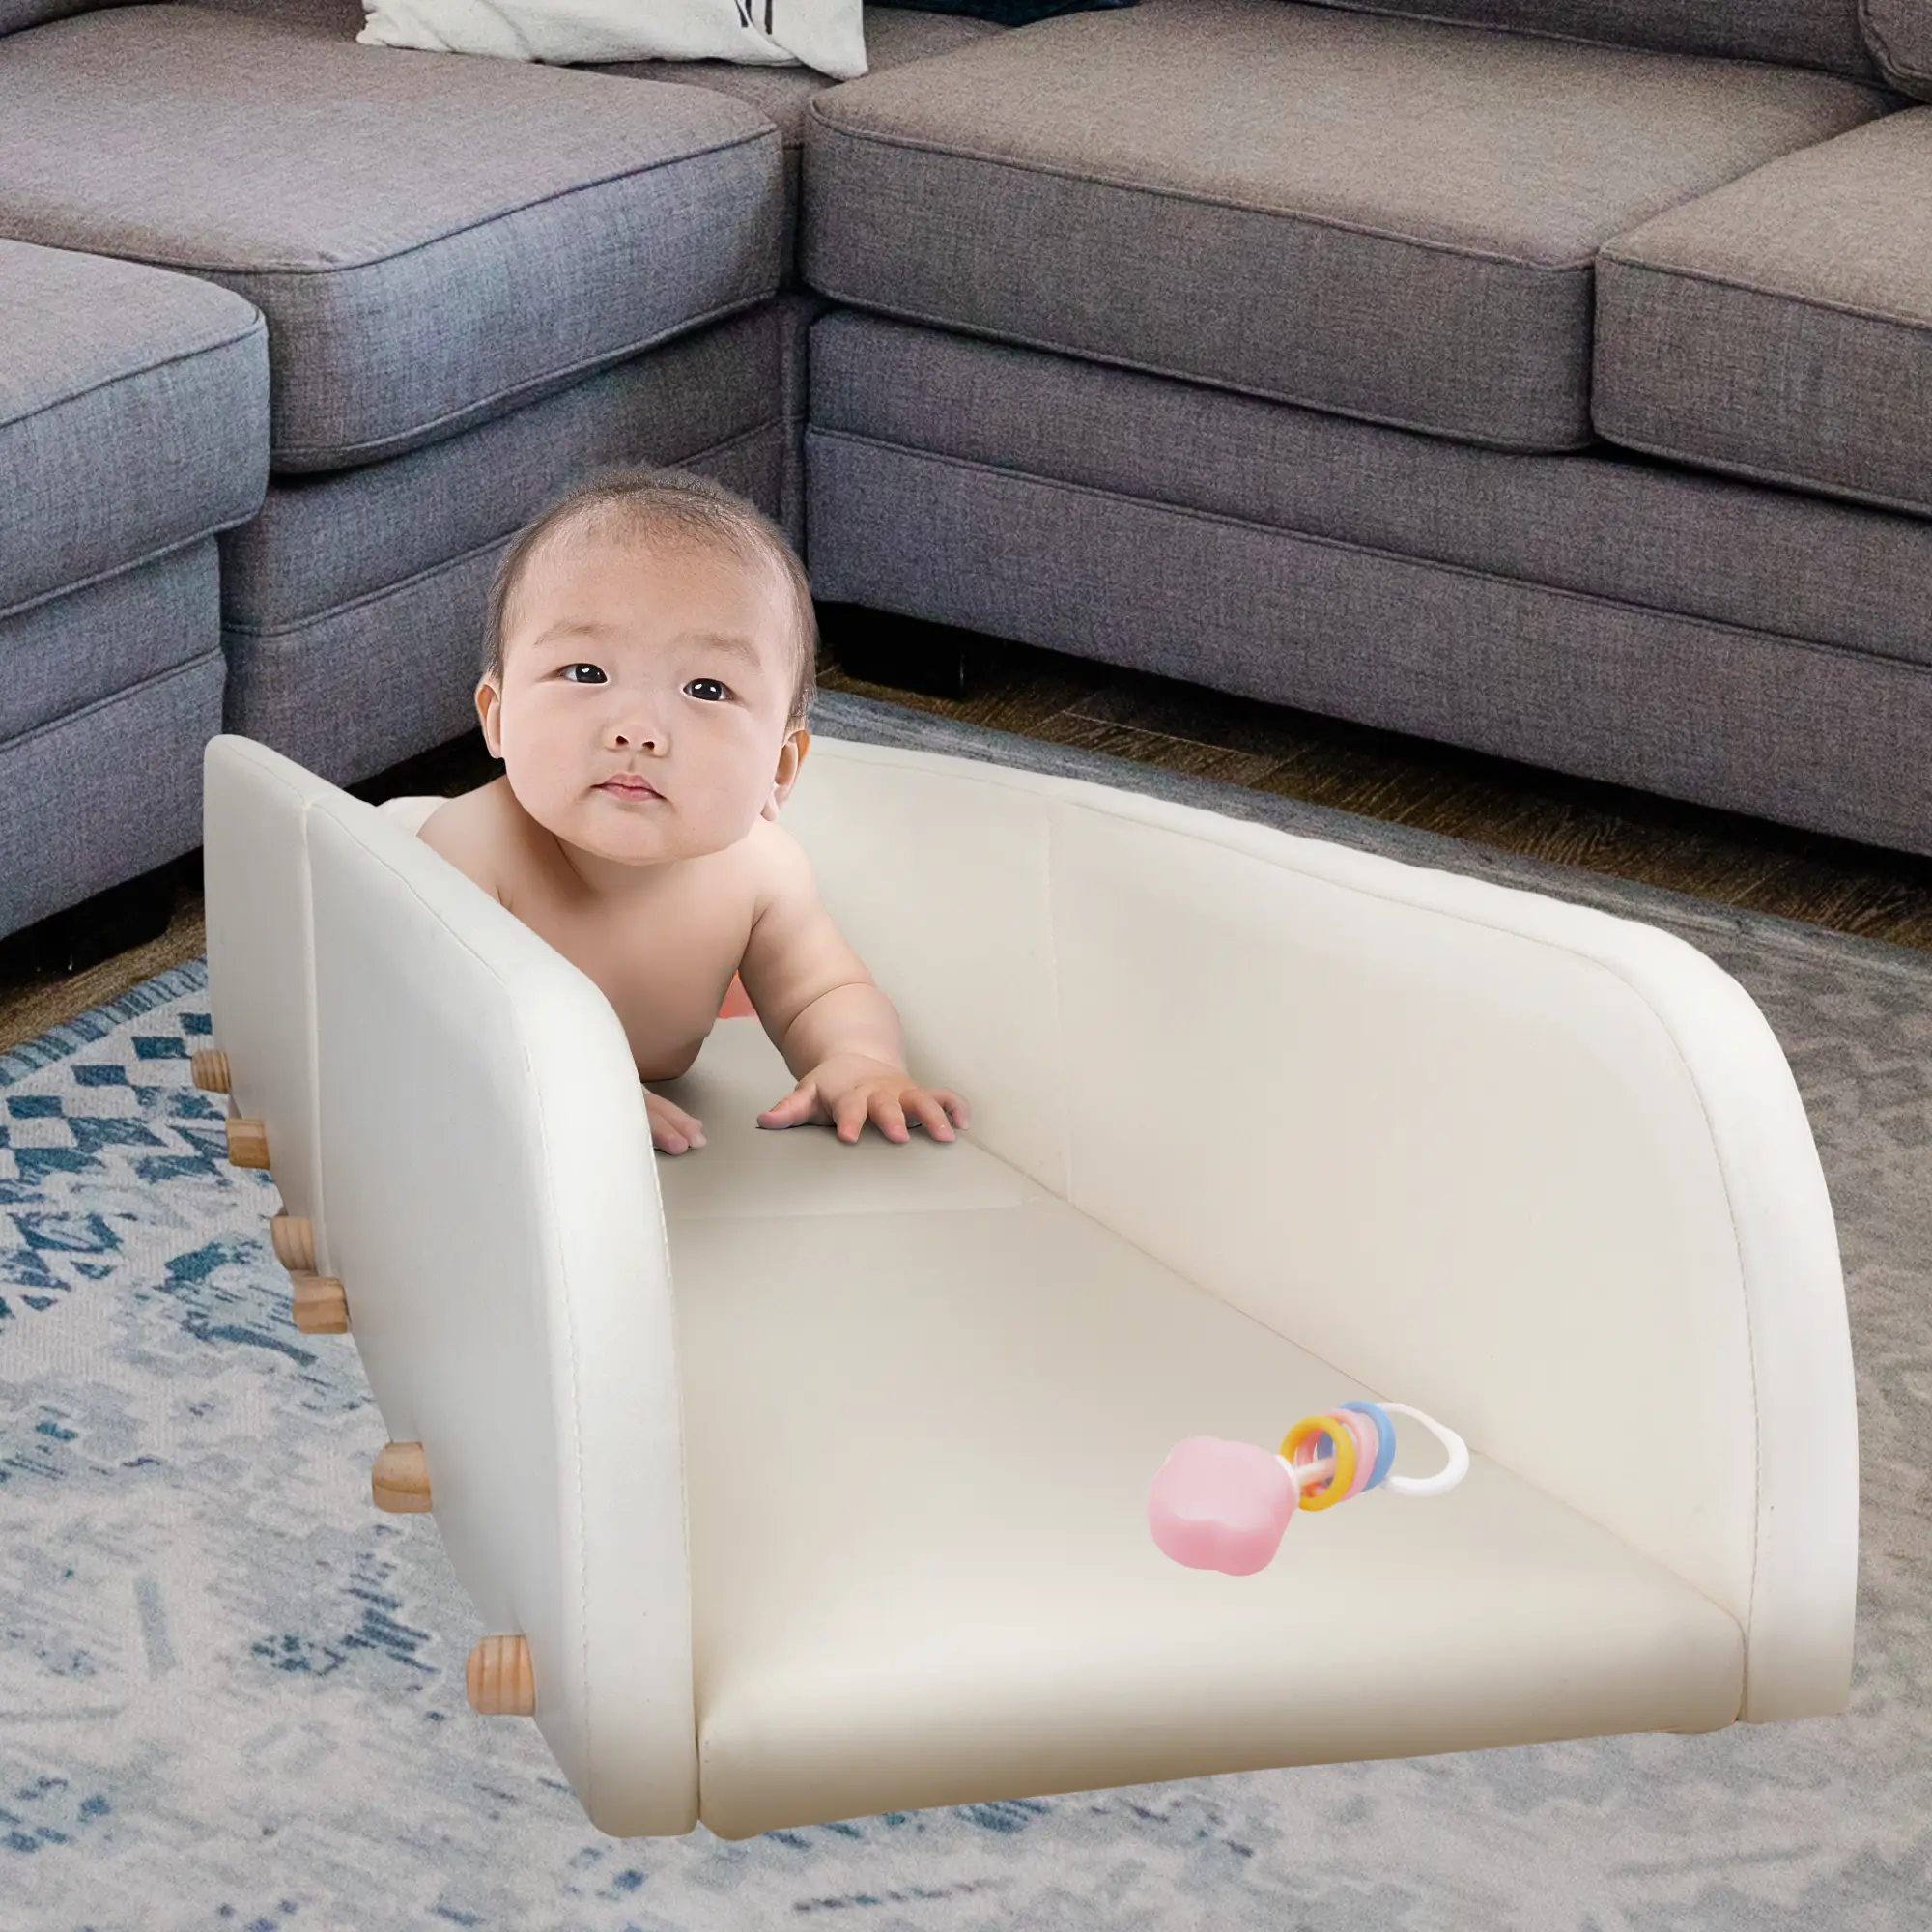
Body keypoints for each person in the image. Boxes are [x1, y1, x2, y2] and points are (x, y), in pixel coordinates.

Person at [417, 466, 970, 1157]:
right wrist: (572, 1087)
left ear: (778, 768)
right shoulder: (468, 850)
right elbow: (439, 1023)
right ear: (498, 720)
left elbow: (824, 991)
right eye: (586, 673)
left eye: (705, 687)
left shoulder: (760, 872)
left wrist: (859, 1060)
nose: (638, 730)